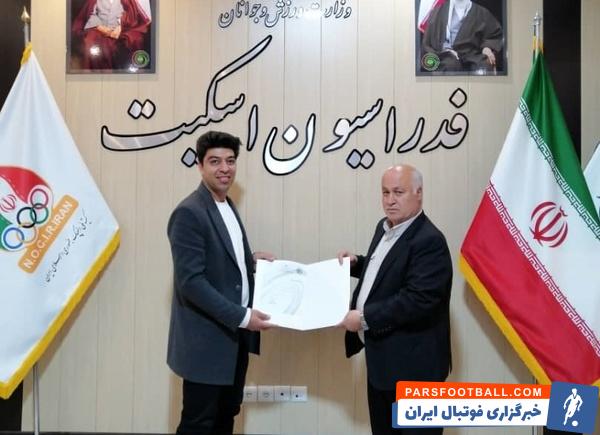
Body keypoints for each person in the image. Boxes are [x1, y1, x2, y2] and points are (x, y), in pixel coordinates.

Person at [167, 131, 274, 435]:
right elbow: (191, 282)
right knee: (199, 423)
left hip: (234, 340)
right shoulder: (189, 212)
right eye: (215, 161)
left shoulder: (226, 204)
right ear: (200, 165)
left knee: (227, 416)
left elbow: (219, 258)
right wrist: (244, 317)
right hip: (207, 342)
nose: (225, 168)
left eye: (230, 160)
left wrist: (250, 261)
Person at [338, 165, 453, 435]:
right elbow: (388, 271)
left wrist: (364, 318)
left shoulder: (430, 241)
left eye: (398, 192)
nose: (390, 200)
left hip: (416, 370)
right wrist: (357, 263)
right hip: (383, 365)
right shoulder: (385, 228)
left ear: (418, 193)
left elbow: (418, 299)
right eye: (385, 192)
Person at [421, 0, 503, 74]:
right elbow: (428, 43)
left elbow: (493, 34)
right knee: (450, 64)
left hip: (472, 55)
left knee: (485, 64)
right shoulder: (438, 12)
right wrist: (447, 52)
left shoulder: (482, 13)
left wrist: (487, 47)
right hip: (444, 56)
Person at [71, 0, 151, 70]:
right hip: (100, 28)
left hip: (123, 28)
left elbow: (131, 15)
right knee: (91, 39)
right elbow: (90, 14)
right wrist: (103, 29)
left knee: (135, 38)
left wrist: (120, 26)